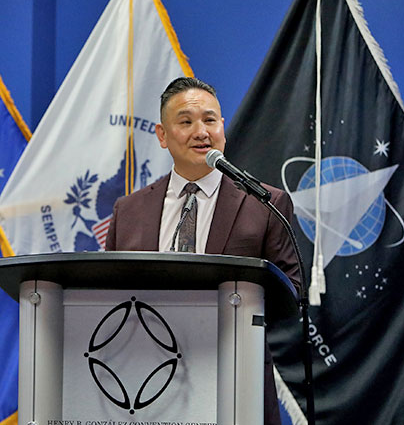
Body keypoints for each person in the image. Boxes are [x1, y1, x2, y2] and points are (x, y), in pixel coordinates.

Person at [105, 76, 301, 425]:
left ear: (222, 128)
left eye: (210, 120)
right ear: (162, 135)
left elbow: (291, 292)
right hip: (144, 384)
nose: (201, 132)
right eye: (186, 121)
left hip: (237, 382)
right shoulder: (128, 211)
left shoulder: (265, 204)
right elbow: (106, 298)